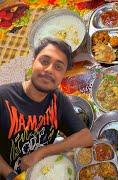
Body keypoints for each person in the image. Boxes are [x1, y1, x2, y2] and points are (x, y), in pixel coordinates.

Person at [0, 38, 93, 179]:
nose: (49, 70)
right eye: (44, 61)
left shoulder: (58, 100)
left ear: (63, 75)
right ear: (33, 62)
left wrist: (43, 152)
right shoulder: (4, 97)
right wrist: (11, 175)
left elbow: (86, 138)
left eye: (58, 67)